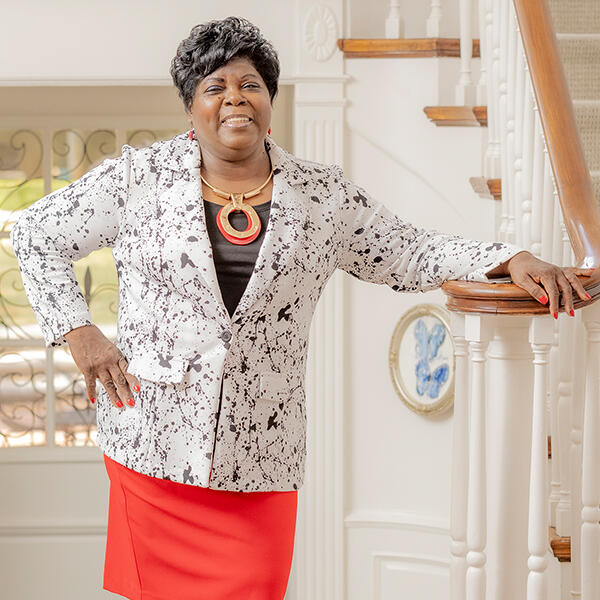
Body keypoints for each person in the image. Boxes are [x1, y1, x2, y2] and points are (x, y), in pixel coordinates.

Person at [9, 15, 593, 600]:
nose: (234, 99)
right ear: (191, 107)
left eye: (250, 85)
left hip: (262, 457)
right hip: (152, 447)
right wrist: (79, 332)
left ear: (269, 100)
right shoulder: (138, 178)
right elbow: (35, 234)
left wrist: (506, 256)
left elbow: (410, 249)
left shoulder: (322, 194)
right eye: (215, 87)